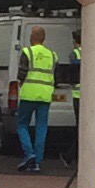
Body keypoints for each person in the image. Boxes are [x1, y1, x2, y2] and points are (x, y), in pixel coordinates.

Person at [12, 29, 58, 173]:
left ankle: (29, 153)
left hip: (29, 94)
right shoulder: (52, 55)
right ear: (43, 38)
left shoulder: (27, 52)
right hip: (45, 95)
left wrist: (21, 83)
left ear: (33, 37)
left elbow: (22, 73)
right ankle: (37, 162)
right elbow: (55, 75)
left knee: (22, 125)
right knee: (41, 127)